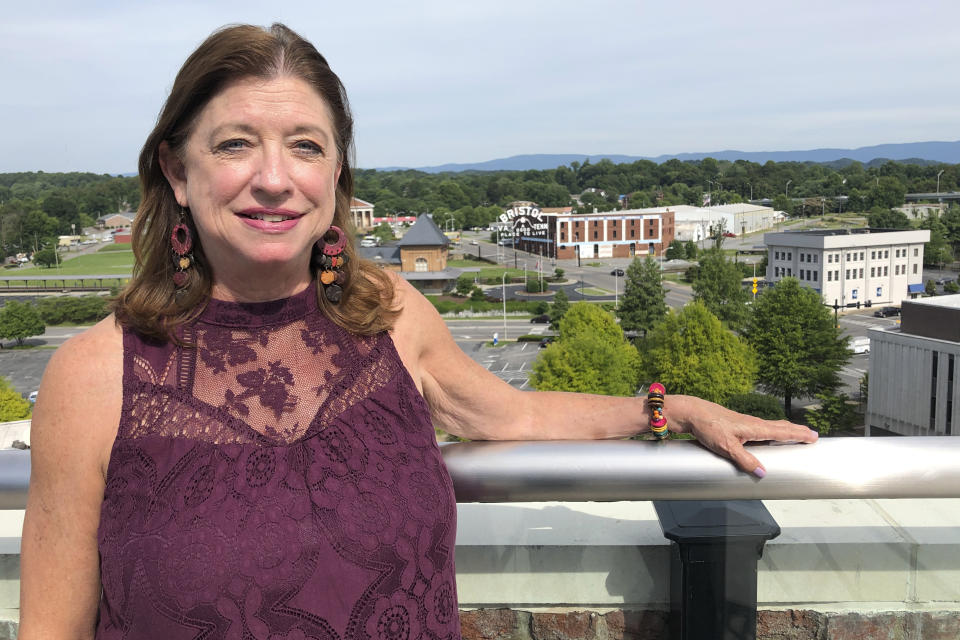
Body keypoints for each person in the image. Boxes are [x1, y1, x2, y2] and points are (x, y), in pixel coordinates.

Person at [19, 23, 817, 640]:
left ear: (336, 177)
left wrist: (665, 409)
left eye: (306, 146)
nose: (274, 177)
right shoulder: (97, 376)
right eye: (234, 144)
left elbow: (513, 417)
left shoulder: (387, 315)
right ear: (175, 170)